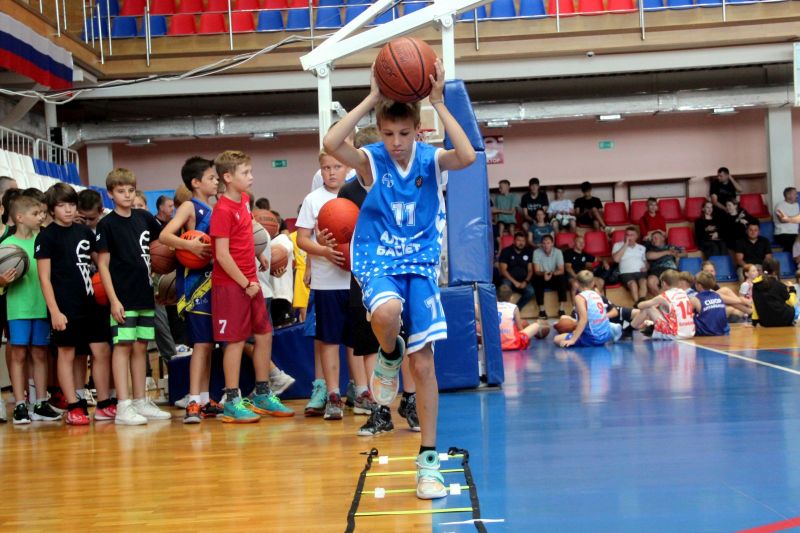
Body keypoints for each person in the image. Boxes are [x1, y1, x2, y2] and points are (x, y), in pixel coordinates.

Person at [323, 58, 476, 499]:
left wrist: (439, 103)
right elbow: (331, 142)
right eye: (388, 134)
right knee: (387, 311)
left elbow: (467, 155)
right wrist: (372, 96)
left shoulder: (431, 159)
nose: (396, 143)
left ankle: (428, 463)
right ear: (379, 131)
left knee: (424, 365)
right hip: (378, 258)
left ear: (418, 131)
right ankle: (389, 354)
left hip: (420, 263)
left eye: (404, 134)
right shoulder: (371, 161)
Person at [337, 124, 419, 437]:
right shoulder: (348, 192)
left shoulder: (402, 183)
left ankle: (410, 400)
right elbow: (342, 232)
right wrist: (332, 241)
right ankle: (380, 410)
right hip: (364, 274)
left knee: (405, 340)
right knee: (371, 343)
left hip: (399, 271)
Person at [210, 151, 292, 423]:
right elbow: (222, 255)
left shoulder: (244, 200)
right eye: (245, 172)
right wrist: (245, 282)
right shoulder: (222, 210)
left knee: (264, 335)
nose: (251, 177)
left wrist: (258, 254)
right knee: (234, 342)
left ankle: (262, 393)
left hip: (251, 282)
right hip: (232, 286)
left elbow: (246, 232)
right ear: (227, 177)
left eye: (250, 171)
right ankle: (232, 401)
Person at [96, 169, 171, 425]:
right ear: (110, 194)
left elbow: (163, 243)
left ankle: (140, 401)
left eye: (130, 190)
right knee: (123, 347)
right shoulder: (107, 224)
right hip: (123, 297)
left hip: (144, 294)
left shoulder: (144, 217)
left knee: (141, 347)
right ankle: (123, 405)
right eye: (121, 191)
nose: (127, 195)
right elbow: (103, 265)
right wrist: (114, 300)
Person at [35, 183, 113, 426]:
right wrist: (55, 311)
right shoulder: (46, 236)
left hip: (91, 303)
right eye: (62, 205)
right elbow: (44, 279)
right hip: (66, 307)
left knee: (101, 351)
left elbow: (101, 263)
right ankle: (73, 406)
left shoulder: (84, 232)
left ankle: (103, 403)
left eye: (71, 205)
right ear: (51, 209)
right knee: (67, 353)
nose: (68, 210)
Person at [158, 156, 224, 424]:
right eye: (211, 178)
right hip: (195, 283)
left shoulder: (215, 208)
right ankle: (193, 400)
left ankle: (205, 398)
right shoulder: (189, 206)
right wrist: (190, 246)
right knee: (201, 344)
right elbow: (165, 236)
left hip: (214, 280)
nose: (216, 181)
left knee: (208, 344)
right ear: (196, 183)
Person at [296, 151, 356, 421]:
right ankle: (333, 394)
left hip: (355, 280)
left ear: (347, 168)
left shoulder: (357, 193)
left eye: (337, 166)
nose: (331, 172)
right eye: (326, 168)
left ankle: (361, 390)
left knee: (356, 340)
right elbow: (302, 239)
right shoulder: (313, 199)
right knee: (328, 339)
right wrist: (322, 251)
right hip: (326, 282)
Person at [3, 195, 60, 424]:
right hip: (18, 308)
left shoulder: (43, 240)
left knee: (39, 354)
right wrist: (2, 280)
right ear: (19, 217)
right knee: (18, 354)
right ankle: (20, 404)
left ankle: (40, 403)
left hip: (42, 306)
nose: (41, 217)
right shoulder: (6, 246)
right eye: (35, 214)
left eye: (42, 213)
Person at [554, 270, 621, 348]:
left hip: (594, 338)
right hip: (606, 335)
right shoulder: (597, 294)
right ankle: (611, 328)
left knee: (557, 339)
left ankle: (608, 329)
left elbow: (583, 319)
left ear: (577, 283)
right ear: (593, 283)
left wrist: (573, 340)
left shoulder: (580, 297)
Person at [631, 269, 695, 340]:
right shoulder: (683, 292)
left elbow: (640, 306)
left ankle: (629, 329)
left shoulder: (664, 296)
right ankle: (652, 328)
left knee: (648, 308)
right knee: (662, 309)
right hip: (690, 332)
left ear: (663, 283)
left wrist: (641, 302)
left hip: (676, 334)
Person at [497, 284, 549, 350]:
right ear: (511, 297)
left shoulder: (491, 307)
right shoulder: (514, 307)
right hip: (514, 344)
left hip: (496, 345)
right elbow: (520, 329)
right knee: (536, 325)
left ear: (496, 297)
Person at [497, 231, 535, 313]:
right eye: (518, 240)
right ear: (514, 241)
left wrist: (525, 281)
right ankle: (503, 311)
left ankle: (515, 310)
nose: (521, 243)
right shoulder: (506, 251)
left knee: (531, 291)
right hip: (509, 280)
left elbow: (530, 270)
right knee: (504, 288)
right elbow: (503, 270)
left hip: (523, 280)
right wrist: (515, 282)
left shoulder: (529, 251)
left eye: (523, 241)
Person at [751, 257, 795, 327]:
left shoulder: (755, 284)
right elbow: (792, 302)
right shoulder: (779, 285)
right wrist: (792, 289)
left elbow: (755, 303)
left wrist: (754, 322)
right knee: (791, 309)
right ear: (775, 271)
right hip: (783, 321)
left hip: (765, 322)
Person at [532, 235, 567, 319]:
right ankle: (542, 311)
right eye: (544, 243)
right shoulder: (536, 252)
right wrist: (544, 274)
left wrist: (551, 274)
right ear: (541, 244)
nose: (546, 245)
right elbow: (536, 271)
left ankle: (561, 309)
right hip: (542, 275)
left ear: (552, 244)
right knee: (536, 279)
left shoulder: (558, 252)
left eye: (548, 243)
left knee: (562, 278)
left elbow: (561, 270)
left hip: (553, 275)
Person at [691, 272, 736, 336]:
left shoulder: (695, 299)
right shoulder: (718, 295)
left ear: (699, 285)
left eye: (695, 283)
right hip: (723, 332)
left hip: (706, 334)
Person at [612, 226, 648, 302]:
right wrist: (625, 245)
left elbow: (646, 262)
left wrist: (646, 268)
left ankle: (641, 303)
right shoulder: (617, 245)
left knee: (643, 282)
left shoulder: (642, 247)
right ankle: (638, 304)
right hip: (626, 273)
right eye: (627, 235)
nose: (629, 237)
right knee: (633, 284)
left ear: (637, 236)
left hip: (640, 272)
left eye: (631, 235)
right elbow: (616, 260)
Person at [645, 230, 685, 297]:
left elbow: (685, 254)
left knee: (679, 283)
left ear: (663, 238)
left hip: (671, 269)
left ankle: (670, 299)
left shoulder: (671, 247)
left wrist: (677, 254)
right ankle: (663, 299)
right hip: (657, 270)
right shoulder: (651, 248)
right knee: (651, 282)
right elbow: (649, 256)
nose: (653, 240)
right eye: (652, 239)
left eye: (655, 238)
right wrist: (667, 252)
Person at [773, 187, 799, 252]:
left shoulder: (796, 205)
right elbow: (782, 220)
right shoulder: (779, 205)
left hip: (795, 234)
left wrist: (788, 218)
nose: (797, 196)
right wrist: (795, 218)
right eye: (795, 194)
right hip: (782, 234)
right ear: (788, 195)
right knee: (794, 245)